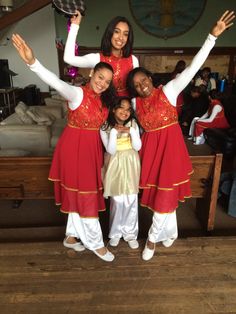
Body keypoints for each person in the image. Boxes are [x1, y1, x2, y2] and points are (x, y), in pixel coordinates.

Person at [126, 10, 235, 261]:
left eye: (144, 80)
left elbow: (195, 65)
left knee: (164, 194)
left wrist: (211, 37)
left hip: (172, 150)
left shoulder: (170, 91)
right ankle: (170, 232)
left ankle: (152, 238)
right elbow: (119, 113)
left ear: (150, 79)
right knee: (163, 196)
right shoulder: (134, 103)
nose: (141, 86)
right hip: (151, 151)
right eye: (136, 85)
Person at [12, 33, 117, 262]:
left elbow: (102, 128)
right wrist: (33, 63)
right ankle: (96, 244)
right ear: (91, 74)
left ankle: (70, 237)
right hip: (74, 151)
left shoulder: (103, 100)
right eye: (100, 77)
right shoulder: (77, 93)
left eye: (107, 81)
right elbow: (55, 82)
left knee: (80, 193)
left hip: (90, 151)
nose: (102, 83)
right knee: (87, 196)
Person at [63, 11, 139, 96]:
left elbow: (135, 92)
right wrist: (74, 26)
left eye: (125, 34)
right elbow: (68, 58)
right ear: (110, 33)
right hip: (103, 108)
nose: (121, 37)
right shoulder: (97, 59)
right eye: (117, 32)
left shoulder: (133, 60)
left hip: (125, 108)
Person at [100, 96, 141, 249]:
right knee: (117, 200)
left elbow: (137, 147)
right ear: (113, 109)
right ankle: (116, 232)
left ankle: (130, 233)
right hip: (115, 162)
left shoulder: (133, 124)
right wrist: (113, 133)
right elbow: (110, 149)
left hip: (131, 162)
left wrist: (131, 131)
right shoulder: (105, 126)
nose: (125, 112)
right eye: (121, 108)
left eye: (128, 109)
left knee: (131, 198)